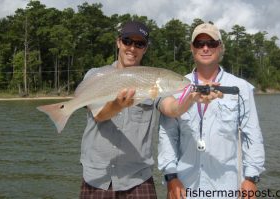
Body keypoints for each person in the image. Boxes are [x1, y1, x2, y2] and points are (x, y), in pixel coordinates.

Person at [79, 21, 221, 199]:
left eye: (139, 44)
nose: (132, 48)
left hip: (138, 178)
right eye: (127, 41)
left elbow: (172, 109)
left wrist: (190, 99)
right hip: (97, 176)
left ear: (145, 48)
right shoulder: (95, 75)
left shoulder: (155, 82)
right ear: (118, 42)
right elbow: (98, 116)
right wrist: (116, 106)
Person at [158, 23, 265, 199]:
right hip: (184, 187)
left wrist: (251, 178)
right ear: (192, 48)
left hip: (228, 188)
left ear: (220, 47)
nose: (205, 48)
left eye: (211, 43)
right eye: (199, 44)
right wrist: (170, 177)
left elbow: (252, 135)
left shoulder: (241, 88)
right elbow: (167, 135)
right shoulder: (176, 86)